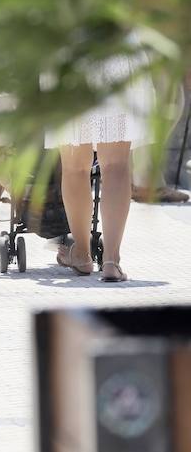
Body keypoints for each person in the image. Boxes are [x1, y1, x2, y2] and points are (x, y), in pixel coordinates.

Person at [48, 47, 152, 283]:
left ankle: (82, 253)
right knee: (116, 166)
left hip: (68, 55)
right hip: (116, 52)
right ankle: (111, 260)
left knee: (75, 167)